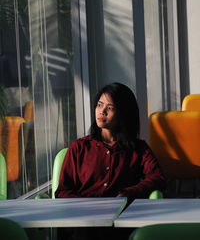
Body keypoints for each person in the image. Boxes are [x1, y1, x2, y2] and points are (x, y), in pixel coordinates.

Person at [55, 82, 166, 239]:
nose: (102, 111)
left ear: (123, 113)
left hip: (119, 221)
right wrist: (89, 207)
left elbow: (158, 178)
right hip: (83, 222)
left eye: (110, 108)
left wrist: (128, 193)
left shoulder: (138, 148)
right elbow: (62, 191)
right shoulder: (79, 147)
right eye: (99, 105)